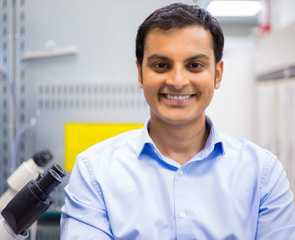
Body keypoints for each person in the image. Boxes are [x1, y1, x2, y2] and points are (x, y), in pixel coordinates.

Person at [60, 3, 295, 239]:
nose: (178, 80)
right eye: (161, 65)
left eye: (195, 65)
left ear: (218, 74)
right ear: (140, 74)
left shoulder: (262, 174)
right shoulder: (95, 172)